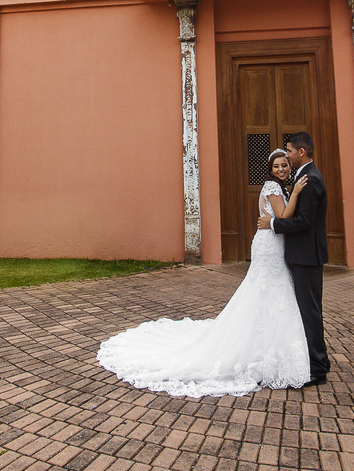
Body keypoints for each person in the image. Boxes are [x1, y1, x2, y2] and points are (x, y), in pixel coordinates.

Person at [96, 149, 311, 397]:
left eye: (284, 165)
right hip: (269, 246)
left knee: (265, 293)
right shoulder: (274, 188)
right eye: (276, 166)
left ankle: (267, 347)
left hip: (270, 242)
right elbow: (283, 216)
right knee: (266, 290)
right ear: (270, 169)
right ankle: (260, 350)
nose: (281, 169)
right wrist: (295, 193)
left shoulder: (278, 187)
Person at [257, 131, 330, 386]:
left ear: (301, 153)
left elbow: (304, 221)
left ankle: (318, 369)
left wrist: (274, 223)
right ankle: (314, 361)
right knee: (307, 310)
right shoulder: (302, 177)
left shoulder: (311, 180)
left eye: (288, 152)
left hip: (307, 255)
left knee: (310, 312)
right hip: (302, 254)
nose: (285, 155)